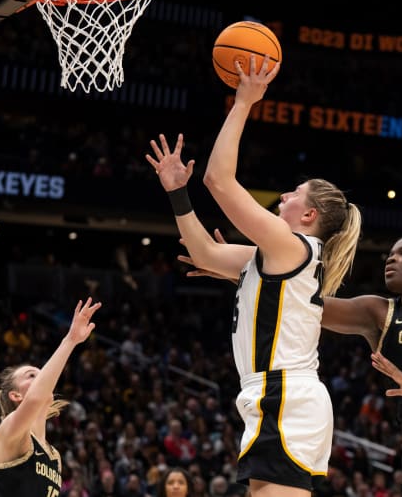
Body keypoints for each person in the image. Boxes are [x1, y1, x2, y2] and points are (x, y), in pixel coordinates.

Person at [145, 55, 362, 497]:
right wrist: (176, 194)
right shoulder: (279, 252)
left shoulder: (291, 245)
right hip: (271, 397)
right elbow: (205, 252)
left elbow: (219, 180)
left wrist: (244, 101)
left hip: (287, 398)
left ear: (308, 214)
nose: (283, 195)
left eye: (293, 194)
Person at [182, 233, 402, 497]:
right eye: (390, 253)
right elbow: (301, 303)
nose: (391, 258)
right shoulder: (378, 312)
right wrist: (244, 277)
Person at [0, 297, 102, 497]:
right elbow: (35, 398)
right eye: (32, 376)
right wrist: (70, 340)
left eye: (41, 375)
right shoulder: (10, 430)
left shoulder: (53, 456)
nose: (42, 380)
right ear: (15, 395)